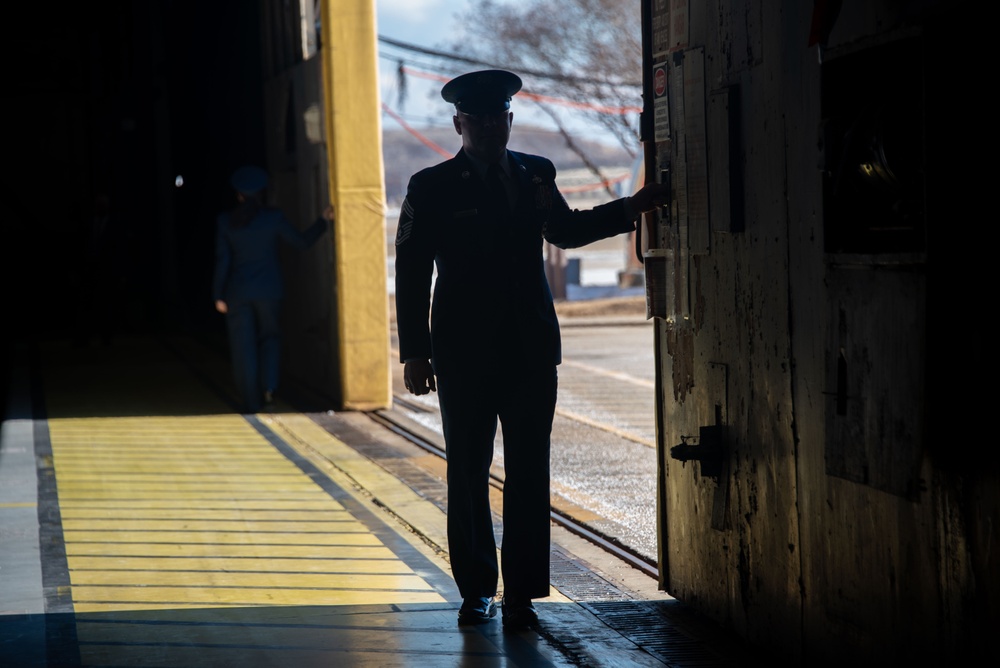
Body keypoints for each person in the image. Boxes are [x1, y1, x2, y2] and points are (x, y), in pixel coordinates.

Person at [393, 70, 669, 629]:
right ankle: (476, 590)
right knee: (467, 471)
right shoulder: (432, 186)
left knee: (529, 470)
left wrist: (630, 209)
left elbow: (563, 232)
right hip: (464, 353)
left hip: (530, 349)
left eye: (500, 118)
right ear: (459, 125)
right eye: (480, 120)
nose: (492, 127)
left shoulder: (537, 174)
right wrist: (415, 352)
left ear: (510, 121)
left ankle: (521, 592)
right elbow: (412, 269)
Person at [213, 165, 334, 413]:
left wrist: (218, 295)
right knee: (270, 339)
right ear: (261, 194)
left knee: (242, 346)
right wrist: (323, 221)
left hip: (237, 292)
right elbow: (302, 243)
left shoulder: (225, 222)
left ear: (238, 195)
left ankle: (250, 401)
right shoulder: (274, 218)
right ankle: (269, 389)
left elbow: (222, 260)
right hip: (269, 291)